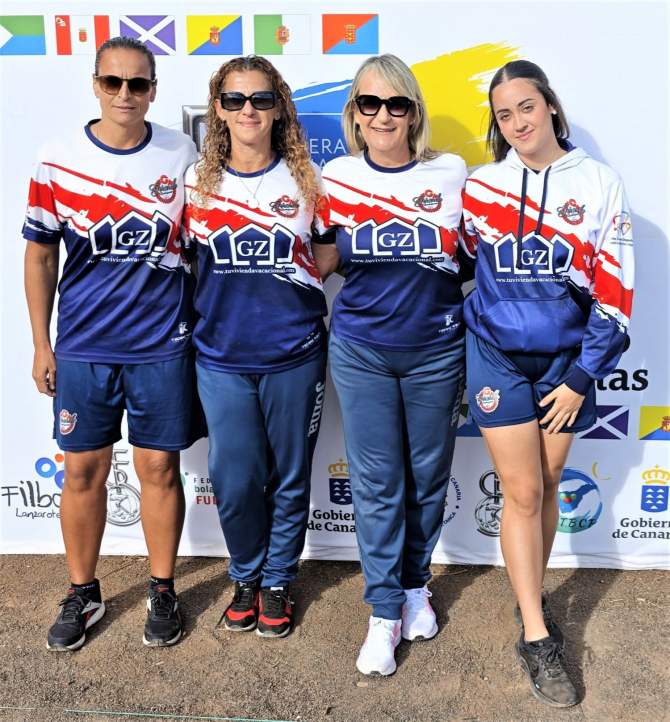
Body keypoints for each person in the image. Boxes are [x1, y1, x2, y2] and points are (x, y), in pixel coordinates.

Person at [461, 60, 634, 707]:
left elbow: (616, 287)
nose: (517, 123)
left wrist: (583, 376)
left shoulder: (598, 183)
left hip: (566, 365)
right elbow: (454, 263)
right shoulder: (482, 186)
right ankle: (536, 634)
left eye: (526, 107)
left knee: (551, 482)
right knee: (524, 490)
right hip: (496, 358)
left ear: (551, 106)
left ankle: (529, 595)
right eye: (504, 114)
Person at [23, 36, 200, 651]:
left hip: (161, 344)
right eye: (113, 82)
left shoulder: (181, 154)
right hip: (84, 347)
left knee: (159, 468)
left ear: (153, 90)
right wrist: (41, 344)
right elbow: (40, 256)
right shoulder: (57, 159)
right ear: (96, 85)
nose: (126, 94)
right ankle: (83, 591)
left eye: (139, 83)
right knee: (82, 471)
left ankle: (162, 588)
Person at [313, 54, 468, 676]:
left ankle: (414, 587)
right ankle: (383, 612)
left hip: (436, 350)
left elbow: (474, 256)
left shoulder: (451, 173)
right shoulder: (337, 176)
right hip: (362, 351)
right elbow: (320, 256)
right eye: (369, 103)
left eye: (396, 103)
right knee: (378, 483)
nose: (383, 115)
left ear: (413, 112)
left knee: (427, 479)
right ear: (354, 113)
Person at [183, 56, 327, 639]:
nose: (248, 110)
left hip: (295, 353)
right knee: (236, 478)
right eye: (236, 99)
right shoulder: (195, 184)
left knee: (290, 476)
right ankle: (245, 574)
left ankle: (277, 581)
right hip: (221, 357)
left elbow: (328, 253)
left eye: (261, 99)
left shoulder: (308, 180)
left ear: (278, 108)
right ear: (218, 109)